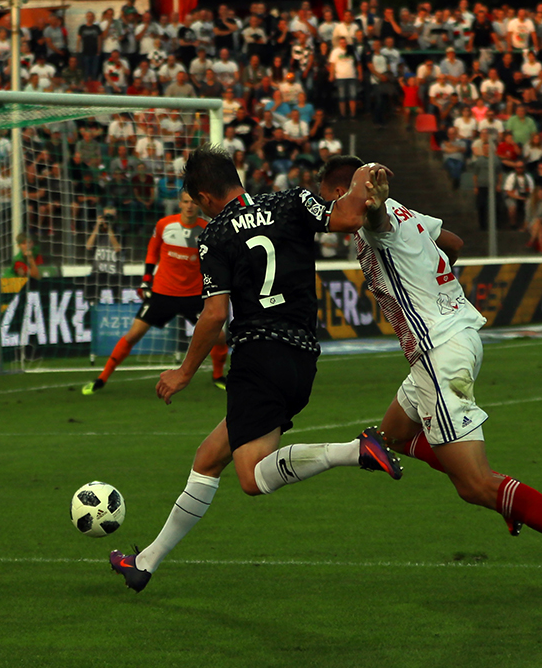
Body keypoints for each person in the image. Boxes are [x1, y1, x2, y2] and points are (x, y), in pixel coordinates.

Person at [317, 155, 542, 594]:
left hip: (439, 352)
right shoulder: (407, 212)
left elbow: (376, 220)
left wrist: (373, 206)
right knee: (393, 436)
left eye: (329, 200)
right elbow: (453, 243)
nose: (327, 211)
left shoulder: (374, 219)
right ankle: (508, 498)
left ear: (344, 192)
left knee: (475, 484)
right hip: (454, 338)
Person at [110, 146, 402, 592]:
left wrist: (184, 372)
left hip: (258, 357)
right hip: (302, 357)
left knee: (251, 477)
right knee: (209, 458)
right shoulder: (291, 200)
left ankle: (354, 451)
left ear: (205, 197)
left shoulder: (214, 235)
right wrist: (364, 177)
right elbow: (347, 218)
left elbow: (214, 314)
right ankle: (144, 563)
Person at [83, 190, 228, 395]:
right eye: (185, 202)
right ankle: (101, 378)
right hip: (163, 293)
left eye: (193, 202)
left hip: (193, 295)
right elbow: (152, 251)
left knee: (219, 337)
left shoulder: (207, 229)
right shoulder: (164, 225)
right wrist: (146, 280)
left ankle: (218, 376)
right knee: (133, 335)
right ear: (179, 204)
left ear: (198, 205)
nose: (189, 206)